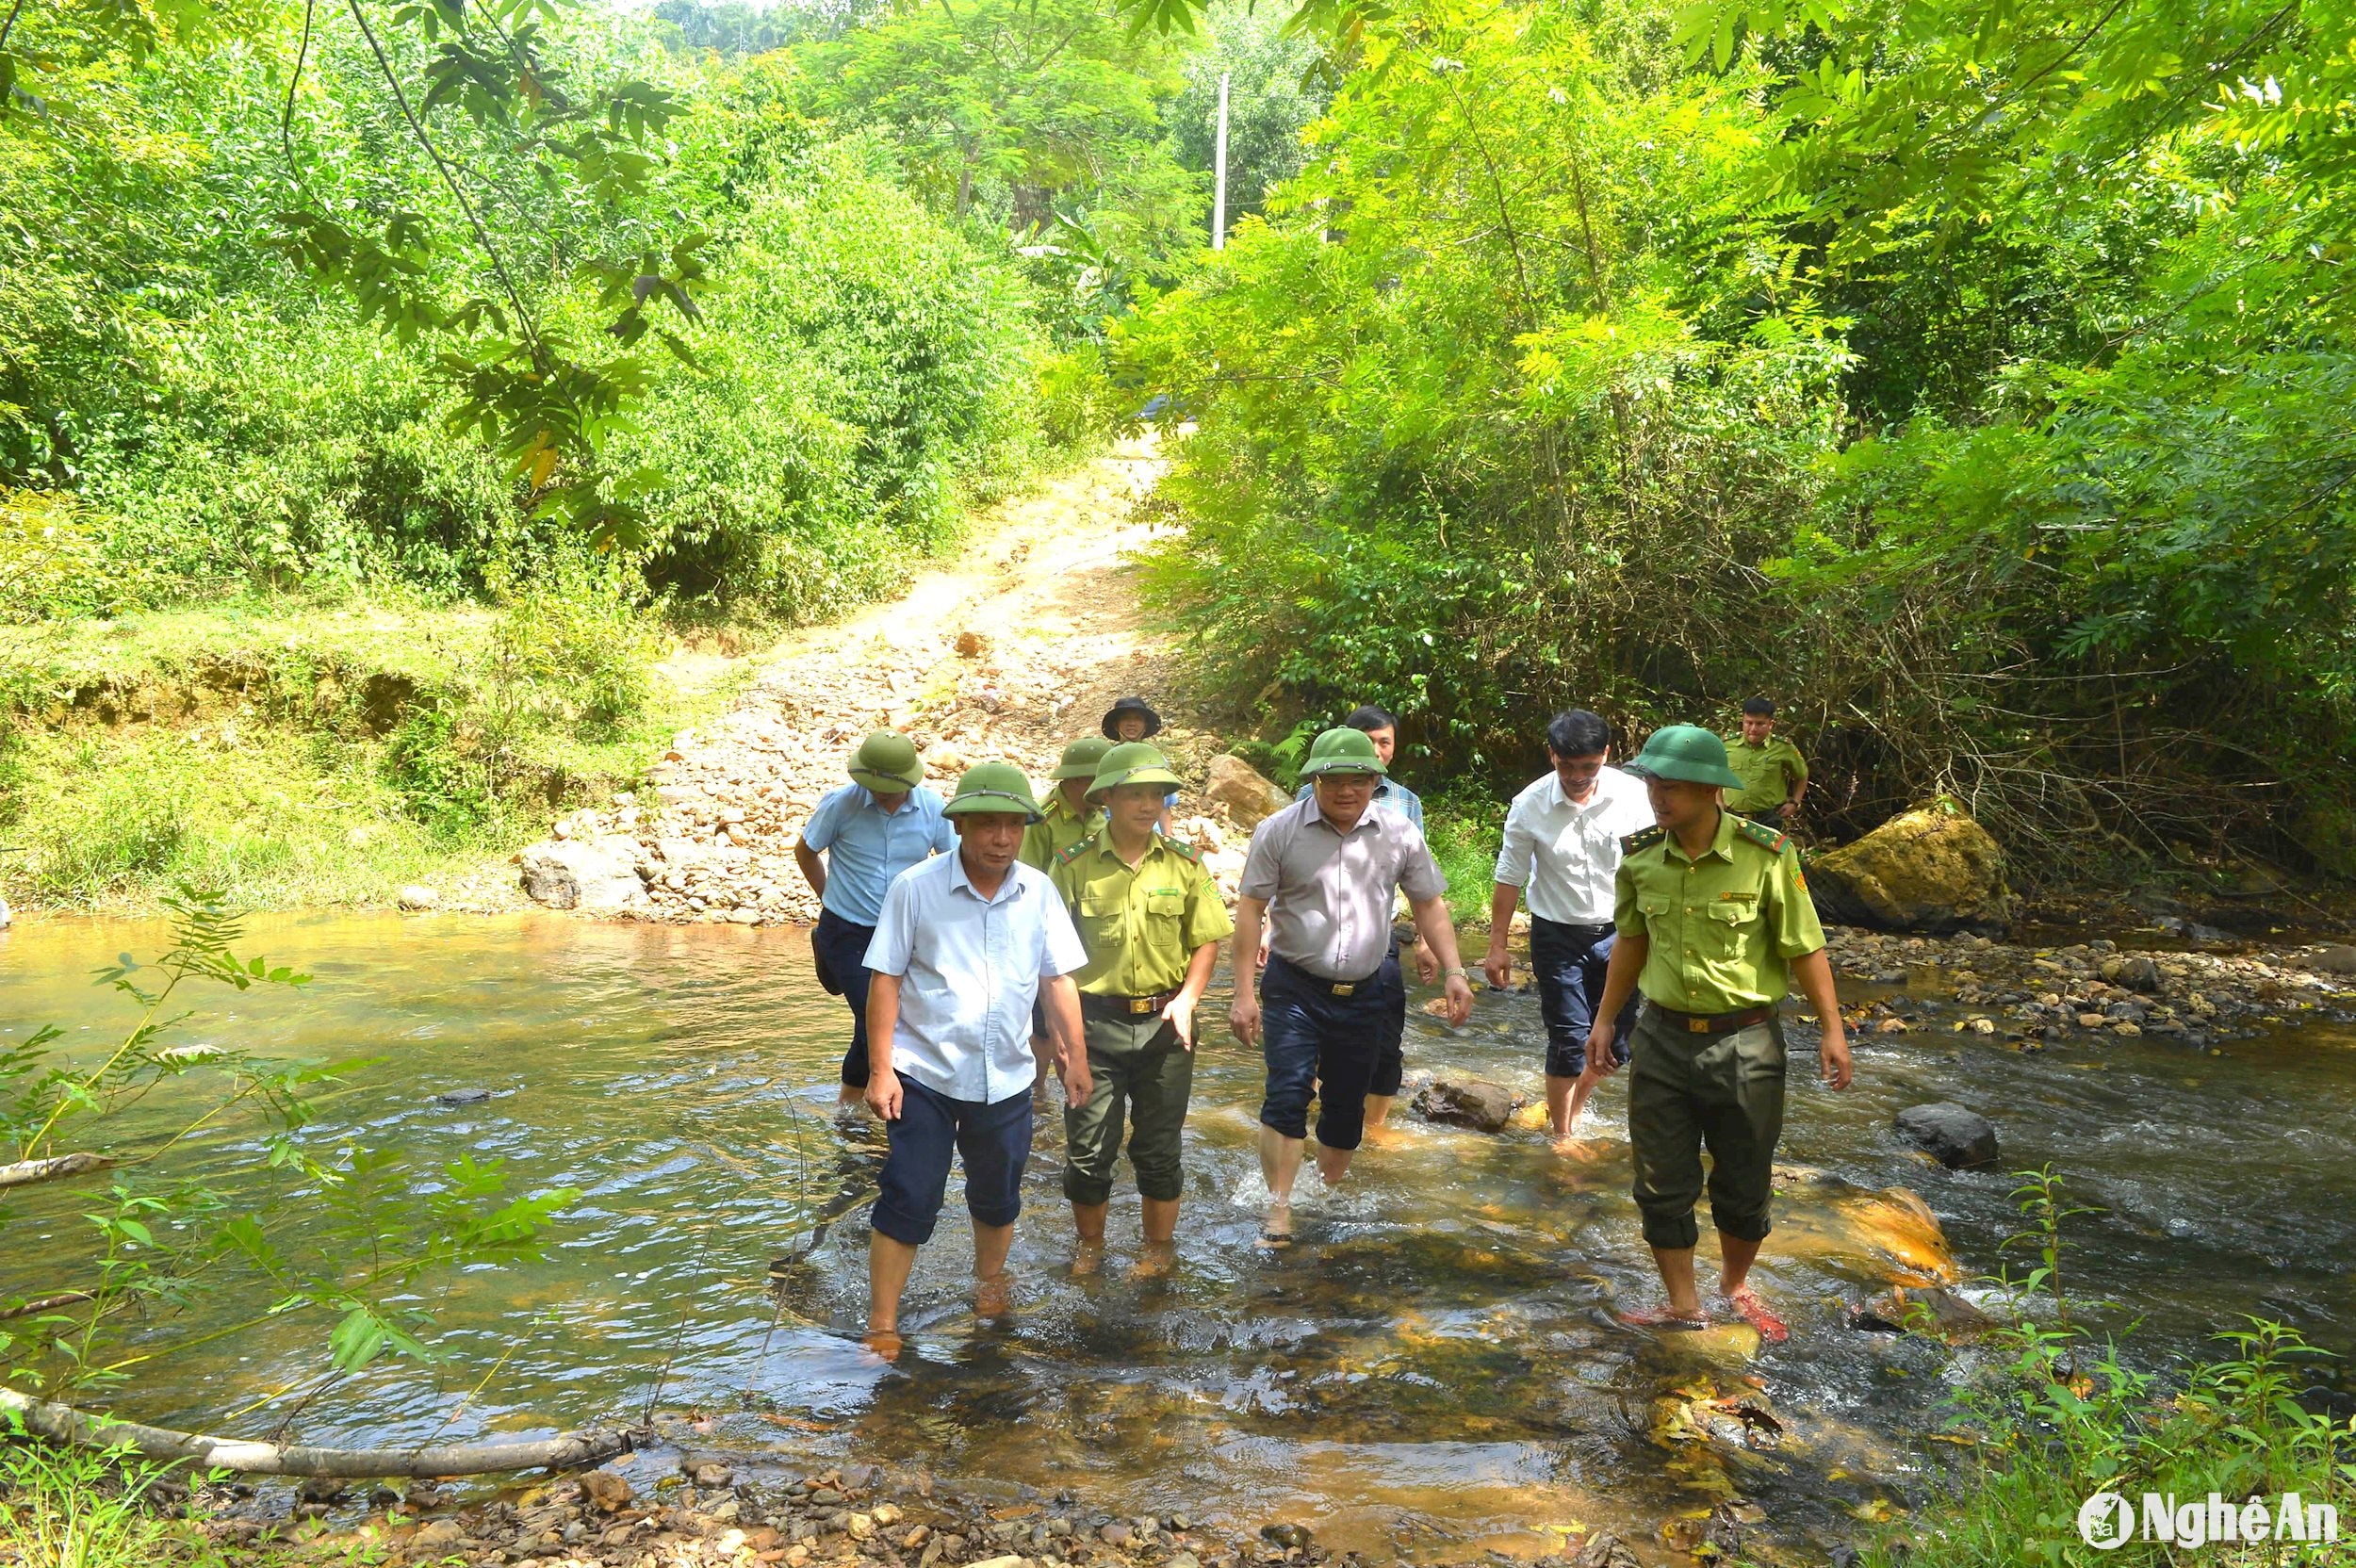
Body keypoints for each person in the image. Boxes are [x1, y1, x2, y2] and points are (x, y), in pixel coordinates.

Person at [1577, 725, 1852, 1341]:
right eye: (1652, 784)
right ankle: (1683, 1305)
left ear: (1709, 790)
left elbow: (1805, 947)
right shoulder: (1642, 856)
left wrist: (1833, 1030)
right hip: (1662, 1040)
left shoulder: (1768, 854)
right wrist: (1603, 1021)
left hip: (1746, 1042)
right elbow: (1631, 942)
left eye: (1670, 787)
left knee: (1744, 1180)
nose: (1657, 797)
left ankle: (1733, 1288)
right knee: (1659, 1183)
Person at [861, 762, 1091, 1353]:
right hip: (925, 1074)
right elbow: (885, 979)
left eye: (1013, 826)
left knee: (997, 1193)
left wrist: (1075, 1056)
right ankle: (882, 1322)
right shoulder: (915, 887)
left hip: (1008, 1074)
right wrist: (881, 1069)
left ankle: (990, 1286)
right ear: (960, 826)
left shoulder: (1037, 890)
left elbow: (1057, 979)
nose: (1002, 838)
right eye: (987, 825)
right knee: (910, 1194)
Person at [1230, 727, 1474, 1246]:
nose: (1347, 790)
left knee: (1345, 1106)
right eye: (1335, 780)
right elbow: (1250, 907)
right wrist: (1243, 993)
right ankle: (1279, 1211)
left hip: (1364, 990)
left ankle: (1323, 1189)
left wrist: (1455, 970)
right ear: (1315, 780)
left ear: (1376, 781)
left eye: (1360, 779)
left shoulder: (1399, 833)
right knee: (1288, 1093)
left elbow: (1429, 903)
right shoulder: (1279, 831)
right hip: (1294, 986)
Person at [1048, 743, 1233, 1278]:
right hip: (1092, 1024)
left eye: (1157, 793)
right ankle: (1090, 1249)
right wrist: (1063, 1039)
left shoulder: (1185, 865)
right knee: (1087, 1152)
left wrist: (1189, 999)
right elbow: (1050, 957)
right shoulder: (1072, 868)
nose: (1148, 804)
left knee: (1158, 1150)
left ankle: (1157, 1251)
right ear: (1107, 797)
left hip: (1166, 1024)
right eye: (1135, 793)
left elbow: (1207, 939)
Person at [1481, 710, 1653, 1140]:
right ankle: (1562, 1135)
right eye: (1566, 766)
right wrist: (1497, 946)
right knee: (1569, 1038)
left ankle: (1573, 1107)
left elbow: (1653, 865)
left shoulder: (1635, 796)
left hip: (1622, 934)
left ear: (1606, 755)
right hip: (1557, 935)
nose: (1578, 777)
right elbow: (1509, 876)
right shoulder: (1529, 805)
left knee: (1613, 1042)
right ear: (1551, 755)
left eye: (1589, 767)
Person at [794, 731, 957, 1111]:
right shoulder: (841, 805)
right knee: (881, 1023)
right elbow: (806, 852)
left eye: (889, 788)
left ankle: (848, 1109)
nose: (881, 794)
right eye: (874, 786)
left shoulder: (933, 809)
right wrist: (830, 897)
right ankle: (892, 1113)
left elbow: (951, 865)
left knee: (870, 1022)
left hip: (905, 934)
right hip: (846, 932)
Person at [1288, 704, 1432, 1135]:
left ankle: (1374, 1130)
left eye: (1384, 742)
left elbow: (1421, 883)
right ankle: (1312, 1114)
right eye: (1366, 742)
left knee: (1386, 1040)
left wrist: (1426, 941)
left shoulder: (1407, 803)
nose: (1375, 751)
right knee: (1310, 1038)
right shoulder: (1308, 798)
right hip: (1313, 935)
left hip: (1377, 938)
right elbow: (1287, 875)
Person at [1022, 737, 1113, 872]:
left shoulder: (1099, 812)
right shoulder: (1041, 819)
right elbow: (1027, 876)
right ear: (1077, 779)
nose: (1108, 787)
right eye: (1100, 779)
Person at [1724, 698, 1808, 826]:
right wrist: (1717, 801)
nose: (1753, 728)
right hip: (1732, 817)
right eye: (1749, 723)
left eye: (1759, 724)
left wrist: (1795, 802)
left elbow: (1802, 775)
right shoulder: (1727, 745)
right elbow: (1716, 772)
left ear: (1771, 724)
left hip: (1770, 818)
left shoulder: (1783, 747)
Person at [1101, 697, 1180, 827]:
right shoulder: (1107, 761)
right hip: (1114, 834)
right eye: (1126, 718)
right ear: (1116, 725)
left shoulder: (1157, 760)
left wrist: (1167, 841)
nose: (1132, 723)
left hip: (1151, 834)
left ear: (1145, 725)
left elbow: (1165, 807)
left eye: (1138, 719)